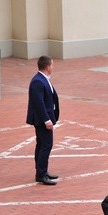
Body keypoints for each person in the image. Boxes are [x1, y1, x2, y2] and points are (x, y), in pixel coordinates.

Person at [26, 55, 60, 185]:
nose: (53, 67)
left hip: (44, 118)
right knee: (46, 145)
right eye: (52, 65)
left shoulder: (43, 79)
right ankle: (41, 174)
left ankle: (42, 172)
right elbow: (39, 103)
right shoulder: (38, 81)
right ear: (47, 66)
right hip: (42, 120)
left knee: (41, 144)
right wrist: (47, 120)